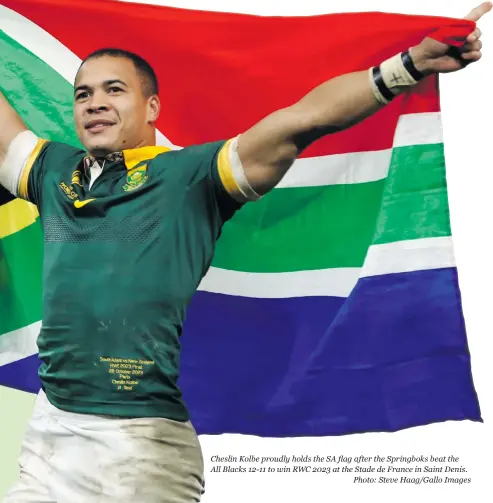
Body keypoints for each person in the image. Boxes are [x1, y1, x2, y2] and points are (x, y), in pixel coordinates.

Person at [0, 2, 489, 502]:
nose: (95, 102)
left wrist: (409, 65)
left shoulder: (192, 176)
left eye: (114, 90)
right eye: (84, 94)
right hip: (50, 433)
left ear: (152, 108)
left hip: (137, 447)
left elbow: (304, 119)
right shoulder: (51, 171)